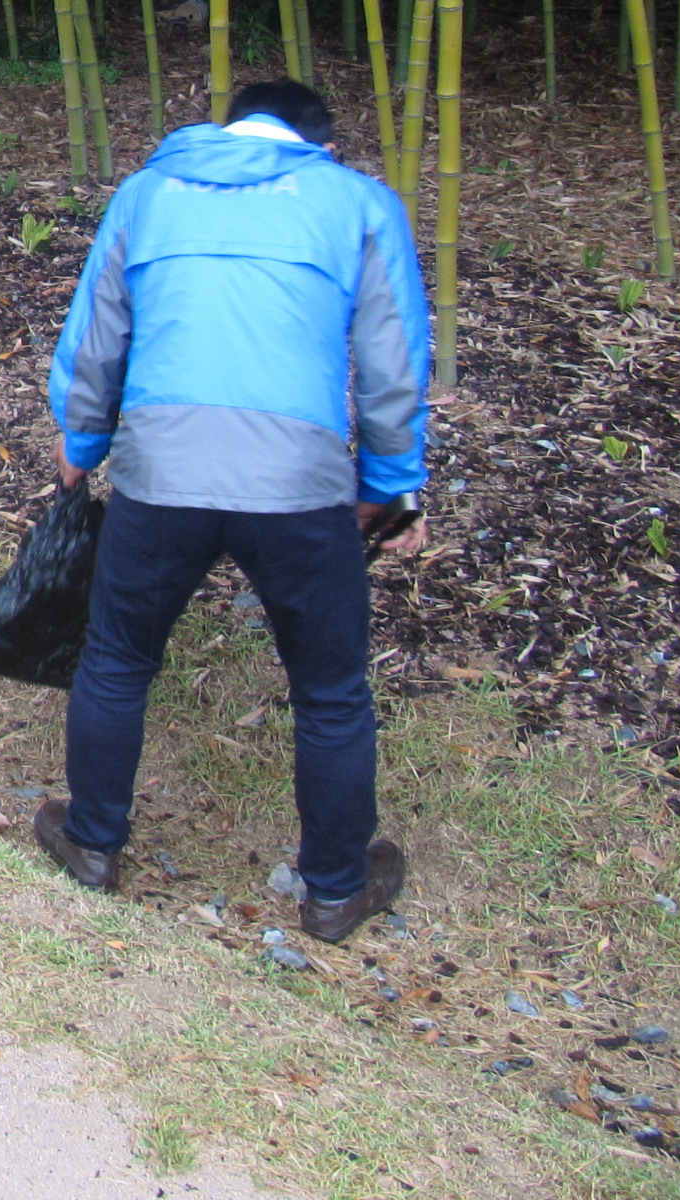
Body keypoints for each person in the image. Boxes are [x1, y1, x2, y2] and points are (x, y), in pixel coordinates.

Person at [37, 79, 431, 943]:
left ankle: (93, 844)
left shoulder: (146, 194)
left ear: (228, 130)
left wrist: (82, 436)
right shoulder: (359, 204)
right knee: (330, 692)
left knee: (116, 657)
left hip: (160, 474)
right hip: (298, 484)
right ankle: (334, 890)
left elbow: (97, 331)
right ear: (319, 144)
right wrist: (391, 479)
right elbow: (393, 358)